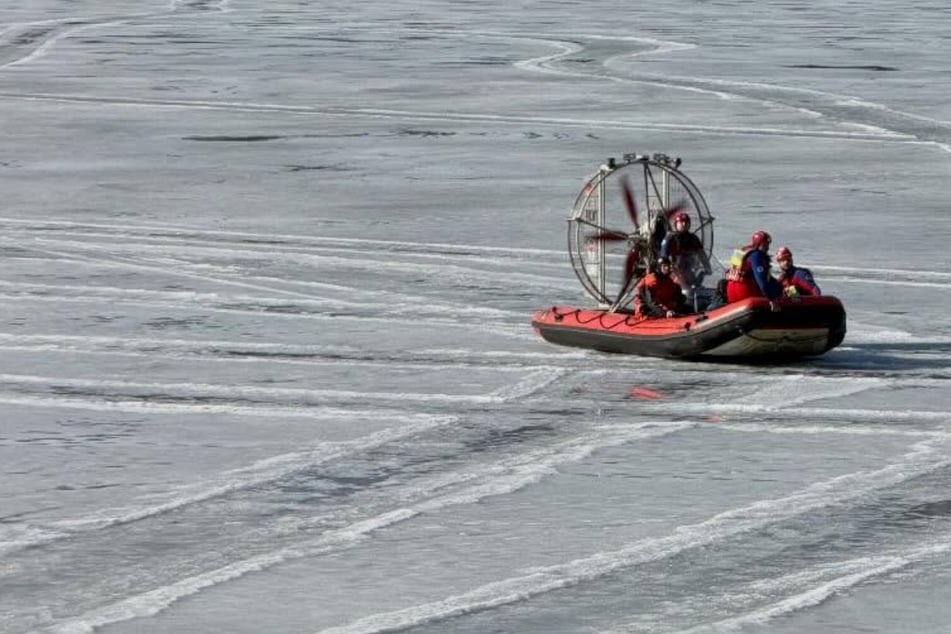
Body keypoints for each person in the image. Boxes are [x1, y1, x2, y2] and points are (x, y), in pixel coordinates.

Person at [724, 230, 782, 306]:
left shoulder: (743, 252)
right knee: (774, 287)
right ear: (762, 244)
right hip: (745, 292)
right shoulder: (757, 255)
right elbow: (760, 278)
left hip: (731, 293)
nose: (768, 247)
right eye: (766, 244)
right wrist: (771, 298)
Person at [659, 211, 712, 292]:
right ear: (676, 224)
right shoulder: (670, 238)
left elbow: (701, 254)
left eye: (686, 222)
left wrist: (707, 267)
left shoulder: (693, 238)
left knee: (695, 286)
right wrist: (666, 268)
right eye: (681, 222)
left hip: (689, 268)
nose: (684, 224)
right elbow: (663, 256)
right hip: (674, 271)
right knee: (684, 289)